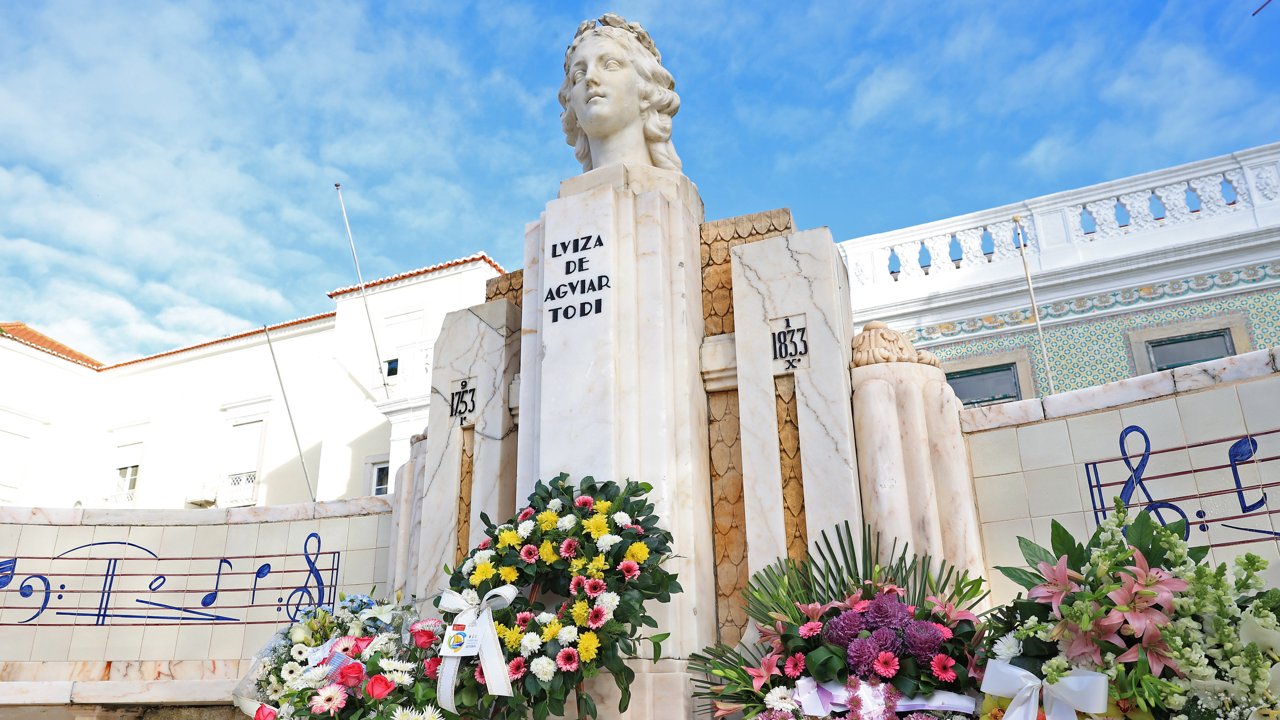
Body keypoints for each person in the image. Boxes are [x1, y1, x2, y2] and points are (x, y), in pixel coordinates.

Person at [558, 14, 682, 173]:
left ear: (646, 86)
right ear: (572, 107)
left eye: (610, 64)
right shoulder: (568, 196)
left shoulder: (674, 192)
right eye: (579, 75)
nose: (590, 77)